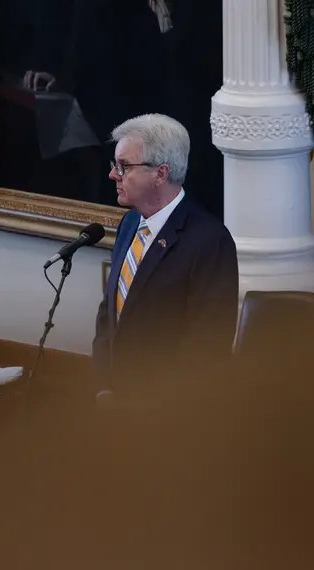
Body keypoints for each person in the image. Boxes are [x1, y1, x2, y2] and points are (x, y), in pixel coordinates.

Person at [92, 114, 238, 401]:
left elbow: (206, 345)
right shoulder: (130, 224)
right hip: (112, 401)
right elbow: (108, 315)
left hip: (167, 412)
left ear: (160, 173)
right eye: (115, 165)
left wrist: (150, 406)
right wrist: (101, 384)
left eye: (123, 166)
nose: (113, 175)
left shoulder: (209, 241)